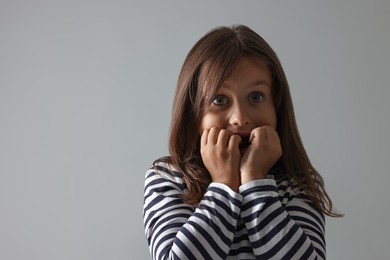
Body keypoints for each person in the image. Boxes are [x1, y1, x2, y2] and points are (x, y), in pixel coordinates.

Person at [143, 25, 341, 260]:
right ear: (193, 114)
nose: (240, 118)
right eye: (219, 100)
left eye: (255, 97)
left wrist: (256, 180)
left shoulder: (297, 182)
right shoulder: (167, 179)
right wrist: (224, 184)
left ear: (276, 105)